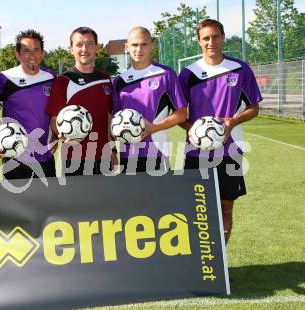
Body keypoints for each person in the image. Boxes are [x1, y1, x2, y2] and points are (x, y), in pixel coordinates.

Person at [179, 19, 262, 243]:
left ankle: (221, 268)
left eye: (215, 36)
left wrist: (232, 122)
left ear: (223, 37)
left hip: (230, 151)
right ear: (199, 41)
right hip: (196, 153)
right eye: (206, 38)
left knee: (226, 208)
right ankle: (200, 266)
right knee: (197, 211)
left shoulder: (240, 69)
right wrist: (192, 129)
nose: (211, 42)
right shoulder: (189, 73)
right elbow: (178, 115)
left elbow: (254, 108)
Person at [112, 26, 187, 174]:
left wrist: (154, 128)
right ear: (127, 47)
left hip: (158, 153)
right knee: (132, 198)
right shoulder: (120, 81)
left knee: (161, 198)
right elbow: (114, 121)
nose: (138, 49)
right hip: (128, 156)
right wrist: (113, 150)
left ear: (152, 45)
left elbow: (182, 114)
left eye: (144, 44)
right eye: (134, 45)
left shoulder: (166, 74)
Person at [45, 27, 116, 176]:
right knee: (76, 200)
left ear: (97, 47)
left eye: (89, 44)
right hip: (74, 159)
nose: (84, 49)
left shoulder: (106, 79)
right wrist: (62, 135)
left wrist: (113, 151)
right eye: (79, 45)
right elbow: (54, 121)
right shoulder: (63, 81)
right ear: (71, 49)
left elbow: (109, 119)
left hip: (103, 157)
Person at [0, 29, 56, 179]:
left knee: (49, 202)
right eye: (26, 50)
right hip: (14, 157)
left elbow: (56, 111)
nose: (32, 55)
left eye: (36, 50)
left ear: (42, 54)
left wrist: (55, 133)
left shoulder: (51, 77)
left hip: (45, 156)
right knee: (14, 203)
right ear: (17, 54)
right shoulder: (4, 79)